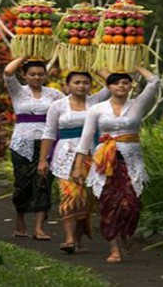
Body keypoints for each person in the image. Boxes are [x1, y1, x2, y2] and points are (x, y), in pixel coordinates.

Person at [72, 67, 159, 263]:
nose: (122, 85)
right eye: (117, 83)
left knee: (132, 205)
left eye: (126, 83)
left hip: (131, 162)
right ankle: (114, 249)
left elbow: (154, 82)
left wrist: (136, 66)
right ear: (109, 86)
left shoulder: (137, 104)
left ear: (130, 86)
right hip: (105, 162)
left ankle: (126, 235)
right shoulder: (96, 109)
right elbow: (85, 139)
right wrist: (78, 166)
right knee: (108, 205)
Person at [37, 71, 110, 254]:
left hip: (93, 155)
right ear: (67, 85)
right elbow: (49, 133)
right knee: (71, 195)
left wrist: (93, 64)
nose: (81, 85)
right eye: (76, 82)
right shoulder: (58, 106)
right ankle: (69, 239)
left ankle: (76, 241)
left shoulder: (96, 102)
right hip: (65, 156)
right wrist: (42, 160)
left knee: (86, 199)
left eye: (86, 82)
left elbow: (112, 82)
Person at [4, 57, 64, 240]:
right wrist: (23, 55)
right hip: (22, 143)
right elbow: (7, 72)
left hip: (47, 143)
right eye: (32, 74)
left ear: (46, 75)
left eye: (40, 74)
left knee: (43, 183)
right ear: (24, 75)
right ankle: (20, 218)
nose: (37, 77)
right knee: (22, 184)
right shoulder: (18, 92)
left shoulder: (55, 94)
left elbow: (69, 108)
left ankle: (39, 228)